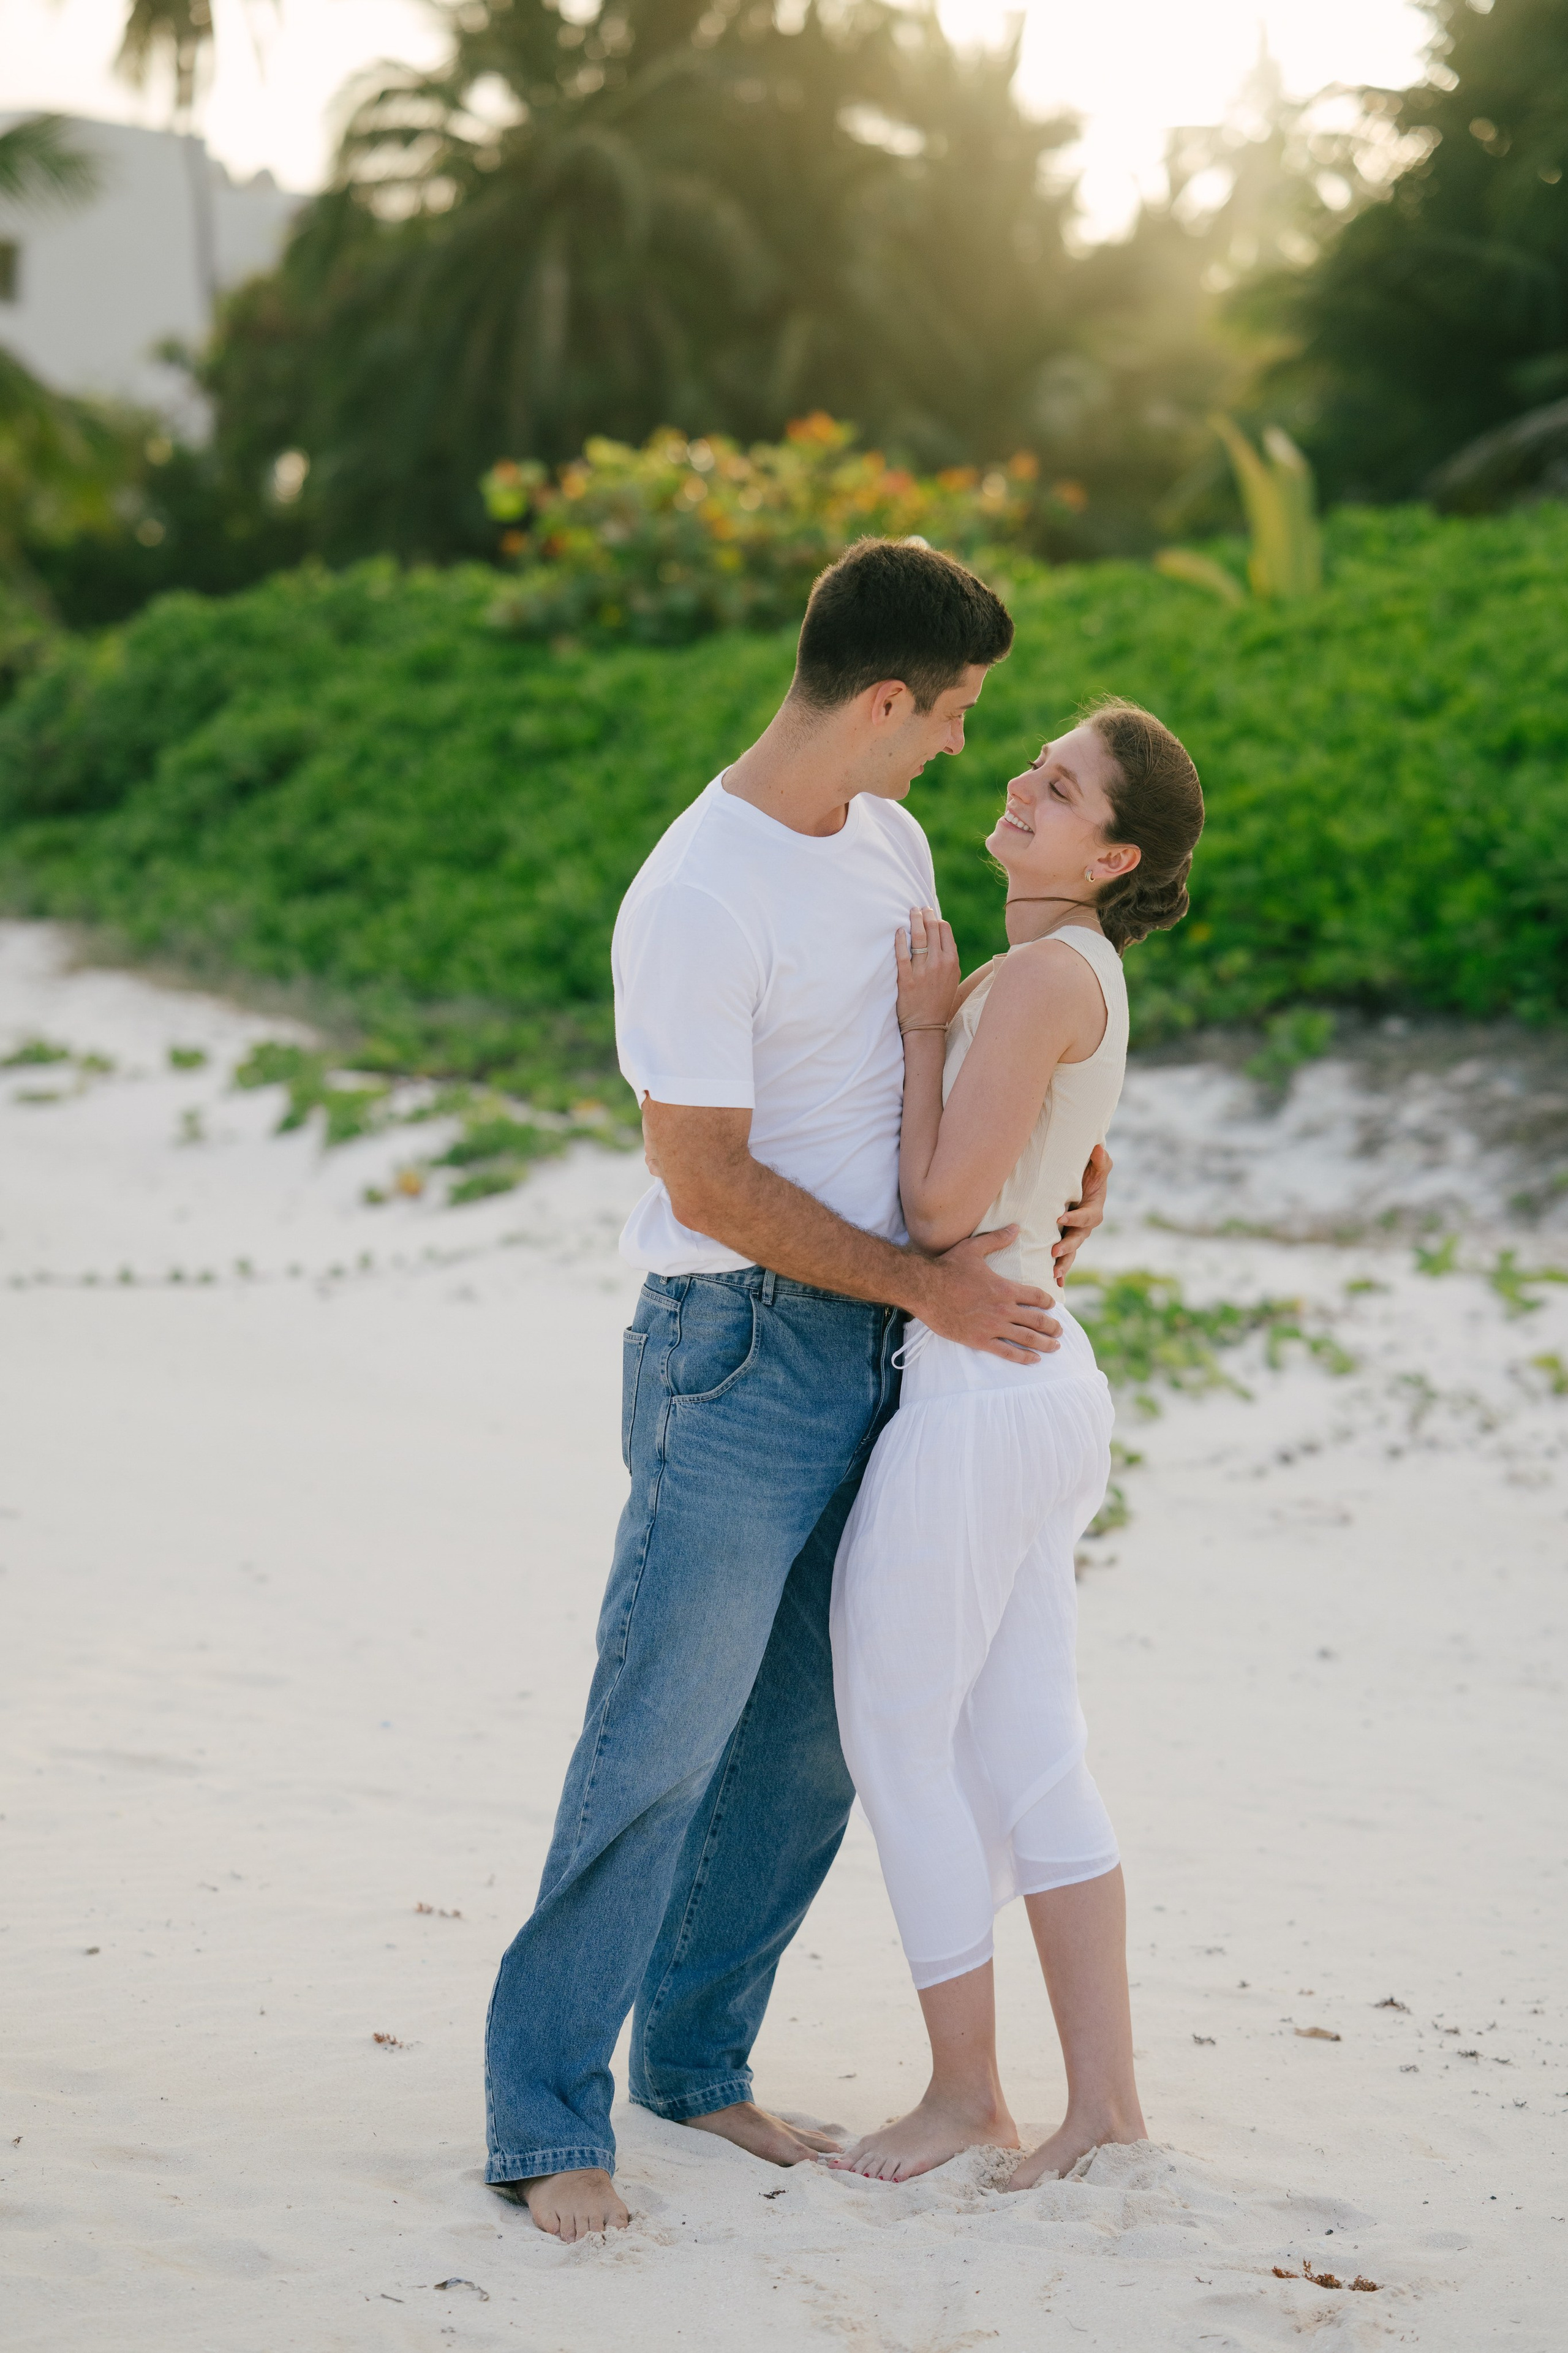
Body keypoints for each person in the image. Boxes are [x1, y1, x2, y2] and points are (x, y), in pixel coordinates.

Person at [483, 539, 1113, 2242]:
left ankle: (694, 2060)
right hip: (739, 1349)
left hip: (892, 1349)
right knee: (660, 1736)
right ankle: (545, 2117)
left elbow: (948, 1057)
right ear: (888, 697)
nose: (961, 753)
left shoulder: (891, 838)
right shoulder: (697, 893)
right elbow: (703, 1177)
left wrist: (1063, 1159)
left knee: (817, 1734)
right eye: (956, 715)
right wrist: (927, 1280)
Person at [827, 697, 1204, 2186]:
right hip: (1029, 1378)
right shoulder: (1054, 967)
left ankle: (965, 2094)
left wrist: (924, 1032)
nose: (1022, 786)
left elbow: (934, 1211)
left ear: (1111, 854)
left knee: (899, 1733)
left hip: (984, 1390)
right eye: (1031, 766)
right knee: (1030, 1748)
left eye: (1057, 788)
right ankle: (1101, 2111)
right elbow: (1026, 1181)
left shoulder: (1044, 975)